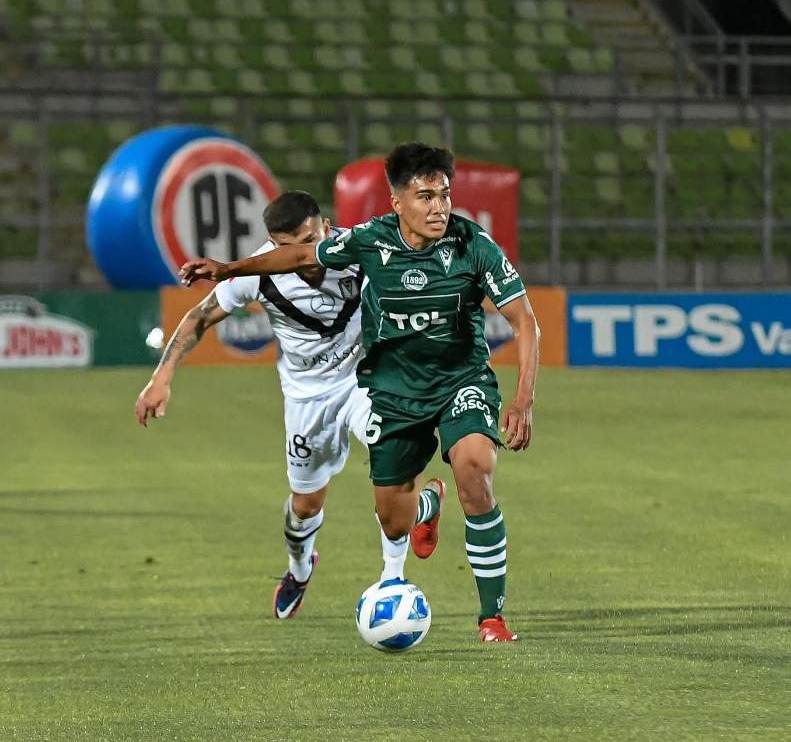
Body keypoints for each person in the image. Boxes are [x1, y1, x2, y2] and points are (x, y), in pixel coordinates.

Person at [180, 144, 540, 643]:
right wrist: (227, 270)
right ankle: (423, 510)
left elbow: (523, 319)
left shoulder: (473, 244)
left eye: (445, 196)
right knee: (393, 519)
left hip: (462, 380)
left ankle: (491, 618)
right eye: (426, 197)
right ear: (398, 203)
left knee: (475, 473)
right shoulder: (371, 241)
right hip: (392, 390)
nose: (440, 208)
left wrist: (522, 398)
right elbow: (302, 254)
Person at [135, 190, 444, 621]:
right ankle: (301, 570)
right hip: (307, 396)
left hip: (365, 381)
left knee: (392, 469)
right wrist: (160, 378)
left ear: (327, 227)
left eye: (309, 240)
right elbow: (199, 317)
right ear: (273, 244)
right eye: (287, 247)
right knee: (305, 506)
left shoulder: (359, 248)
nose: (302, 254)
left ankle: (393, 580)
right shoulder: (258, 272)